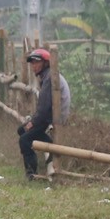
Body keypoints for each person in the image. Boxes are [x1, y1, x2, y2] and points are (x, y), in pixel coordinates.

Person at [16, 48, 72, 181]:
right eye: (32, 63)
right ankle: (49, 144)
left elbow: (43, 108)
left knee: (24, 139)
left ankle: (31, 174)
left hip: (53, 117)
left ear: (45, 63)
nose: (33, 66)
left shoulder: (49, 78)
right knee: (22, 131)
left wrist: (33, 122)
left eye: (37, 62)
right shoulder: (48, 76)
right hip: (50, 115)